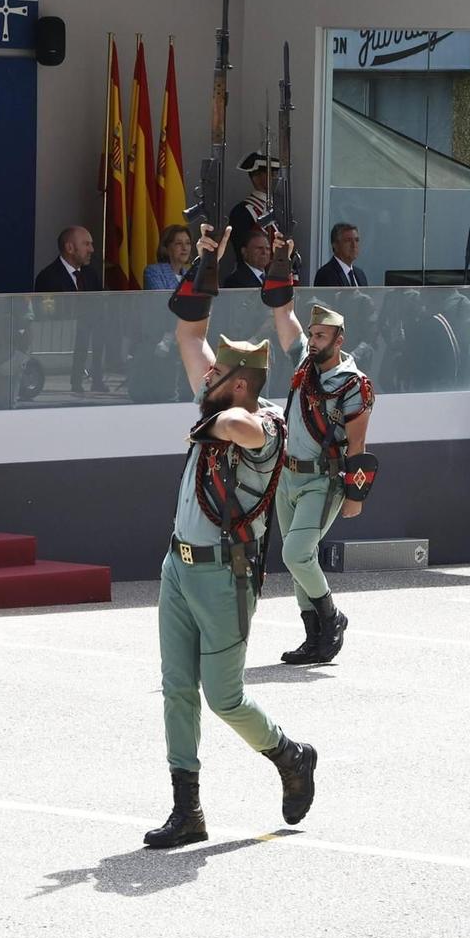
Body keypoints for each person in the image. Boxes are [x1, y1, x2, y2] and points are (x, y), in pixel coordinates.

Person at [146, 230, 318, 850]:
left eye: (219, 372)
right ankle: (186, 808)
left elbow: (241, 427)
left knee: (225, 699)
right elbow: (188, 334)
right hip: (178, 567)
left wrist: (211, 415)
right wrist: (208, 264)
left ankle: (291, 755)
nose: (206, 371)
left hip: (225, 574)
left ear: (241, 382)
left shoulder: (262, 422)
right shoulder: (214, 401)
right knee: (175, 689)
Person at [268, 286, 375, 657]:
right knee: (300, 558)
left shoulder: (353, 383)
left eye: (320, 336)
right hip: (287, 476)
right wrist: (281, 279)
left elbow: (358, 445)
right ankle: (314, 638)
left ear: (338, 339)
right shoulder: (303, 363)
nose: (312, 342)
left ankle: (332, 619)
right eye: (312, 335)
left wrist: (355, 497)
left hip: (322, 480)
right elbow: (284, 318)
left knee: (297, 554)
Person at [34, 226, 103, 393]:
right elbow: (46, 314)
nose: (91, 250)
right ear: (70, 247)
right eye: (86, 244)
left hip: (90, 334)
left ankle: (95, 379)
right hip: (60, 344)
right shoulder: (48, 277)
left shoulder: (91, 274)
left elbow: (99, 307)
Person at [225, 153, 277, 275]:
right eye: (270, 173)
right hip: (251, 277)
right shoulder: (242, 212)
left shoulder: (279, 208)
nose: (275, 177)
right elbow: (242, 251)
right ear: (256, 177)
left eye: (275, 173)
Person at [315, 223, 367, 288]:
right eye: (348, 240)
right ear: (335, 245)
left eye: (356, 240)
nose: (354, 245)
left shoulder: (360, 274)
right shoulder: (325, 274)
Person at [144, 224, 193, 291]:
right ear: (166, 248)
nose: (185, 248)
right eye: (178, 243)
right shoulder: (154, 272)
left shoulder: (191, 275)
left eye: (188, 243)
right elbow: (161, 300)